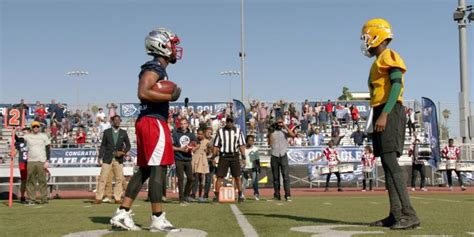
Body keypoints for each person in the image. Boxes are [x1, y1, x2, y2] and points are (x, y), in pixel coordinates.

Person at [110, 28, 182, 232]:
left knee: (145, 170)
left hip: (148, 121)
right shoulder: (154, 67)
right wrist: (170, 97)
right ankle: (157, 218)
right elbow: (143, 92)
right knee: (159, 167)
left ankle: (122, 213)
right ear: (161, 45)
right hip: (153, 121)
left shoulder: (157, 68)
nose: (175, 49)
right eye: (172, 44)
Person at [361, 18, 420, 229]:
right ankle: (395, 214)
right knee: (386, 163)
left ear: (377, 35)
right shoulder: (377, 60)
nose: (365, 41)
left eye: (367, 37)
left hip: (390, 109)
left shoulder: (389, 56)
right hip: (381, 109)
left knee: (390, 162)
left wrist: (385, 113)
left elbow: (396, 86)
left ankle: (409, 213)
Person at [94, 115, 131, 204]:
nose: (117, 121)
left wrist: (123, 152)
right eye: (115, 120)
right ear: (112, 121)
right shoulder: (106, 132)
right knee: (102, 178)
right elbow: (103, 145)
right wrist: (99, 157)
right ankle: (98, 198)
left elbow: (128, 145)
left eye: (119, 120)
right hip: (107, 159)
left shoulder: (123, 132)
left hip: (119, 160)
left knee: (119, 179)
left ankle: (117, 198)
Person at [212, 117, 246, 202]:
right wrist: (213, 157)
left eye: (231, 121)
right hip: (224, 156)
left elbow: (241, 145)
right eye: (228, 121)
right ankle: (216, 195)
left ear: (233, 122)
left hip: (234, 155)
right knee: (219, 176)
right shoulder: (220, 131)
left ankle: (240, 195)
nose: (230, 123)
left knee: (237, 176)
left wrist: (243, 157)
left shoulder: (238, 131)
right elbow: (216, 146)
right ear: (226, 122)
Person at [23, 121, 51, 205]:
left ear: (39, 127)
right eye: (34, 126)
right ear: (31, 127)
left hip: (41, 161)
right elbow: (18, 141)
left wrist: (47, 160)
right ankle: (31, 199)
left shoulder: (44, 136)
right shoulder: (27, 136)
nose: (36, 128)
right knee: (30, 181)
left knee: (42, 181)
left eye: (37, 126)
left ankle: (44, 199)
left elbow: (48, 149)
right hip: (31, 161)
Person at [268, 117, 296, 201]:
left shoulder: (285, 132)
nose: (280, 124)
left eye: (281, 122)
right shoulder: (272, 132)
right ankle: (277, 195)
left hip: (283, 155)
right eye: (279, 123)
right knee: (275, 177)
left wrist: (285, 126)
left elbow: (293, 135)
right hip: (274, 155)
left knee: (285, 176)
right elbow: (269, 143)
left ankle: (287, 195)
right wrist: (269, 132)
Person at [172, 118, 196, 204]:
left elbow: (195, 145)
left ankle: (186, 195)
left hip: (188, 159)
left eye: (184, 123)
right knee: (181, 179)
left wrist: (192, 149)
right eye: (181, 123)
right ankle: (181, 198)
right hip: (179, 159)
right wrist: (180, 149)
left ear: (187, 124)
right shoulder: (175, 134)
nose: (183, 125)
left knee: (190, 178)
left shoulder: (191, 134)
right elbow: (171, 147)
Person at [191, 128, 211, 202]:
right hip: (195, 160)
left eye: (201, 134)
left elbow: (210, 153)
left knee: (206, 178)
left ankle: (205, 195)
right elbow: (191, 150)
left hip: (204, 161)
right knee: (195, 178)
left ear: (204, 134)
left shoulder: (207, 142)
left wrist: (208, 150)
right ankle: (193, 194)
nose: (199, 135)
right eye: (198, 134)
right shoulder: (194, 141)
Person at [14, 127, 31, 204]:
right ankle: (22, 196)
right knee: (24, 180)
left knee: (31, 180)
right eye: (23, 133)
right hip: (23, 162)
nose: (24, 134)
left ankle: (31, 197)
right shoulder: (20, 142)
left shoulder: (32, 141)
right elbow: (15, 151)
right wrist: (12, 153)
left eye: (25, 132)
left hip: (31, 162)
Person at [242, 135, 261, 200]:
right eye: (250, 140)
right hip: (245, 168)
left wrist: (258, 167)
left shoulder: (255, 149)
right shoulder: (243, 148)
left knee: (254, 182)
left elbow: (257, 159)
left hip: (253, 168)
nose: (251, 142)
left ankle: (256, 194)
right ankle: (242, 195)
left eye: (252, 140)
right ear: (247, 141)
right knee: (244, 182)